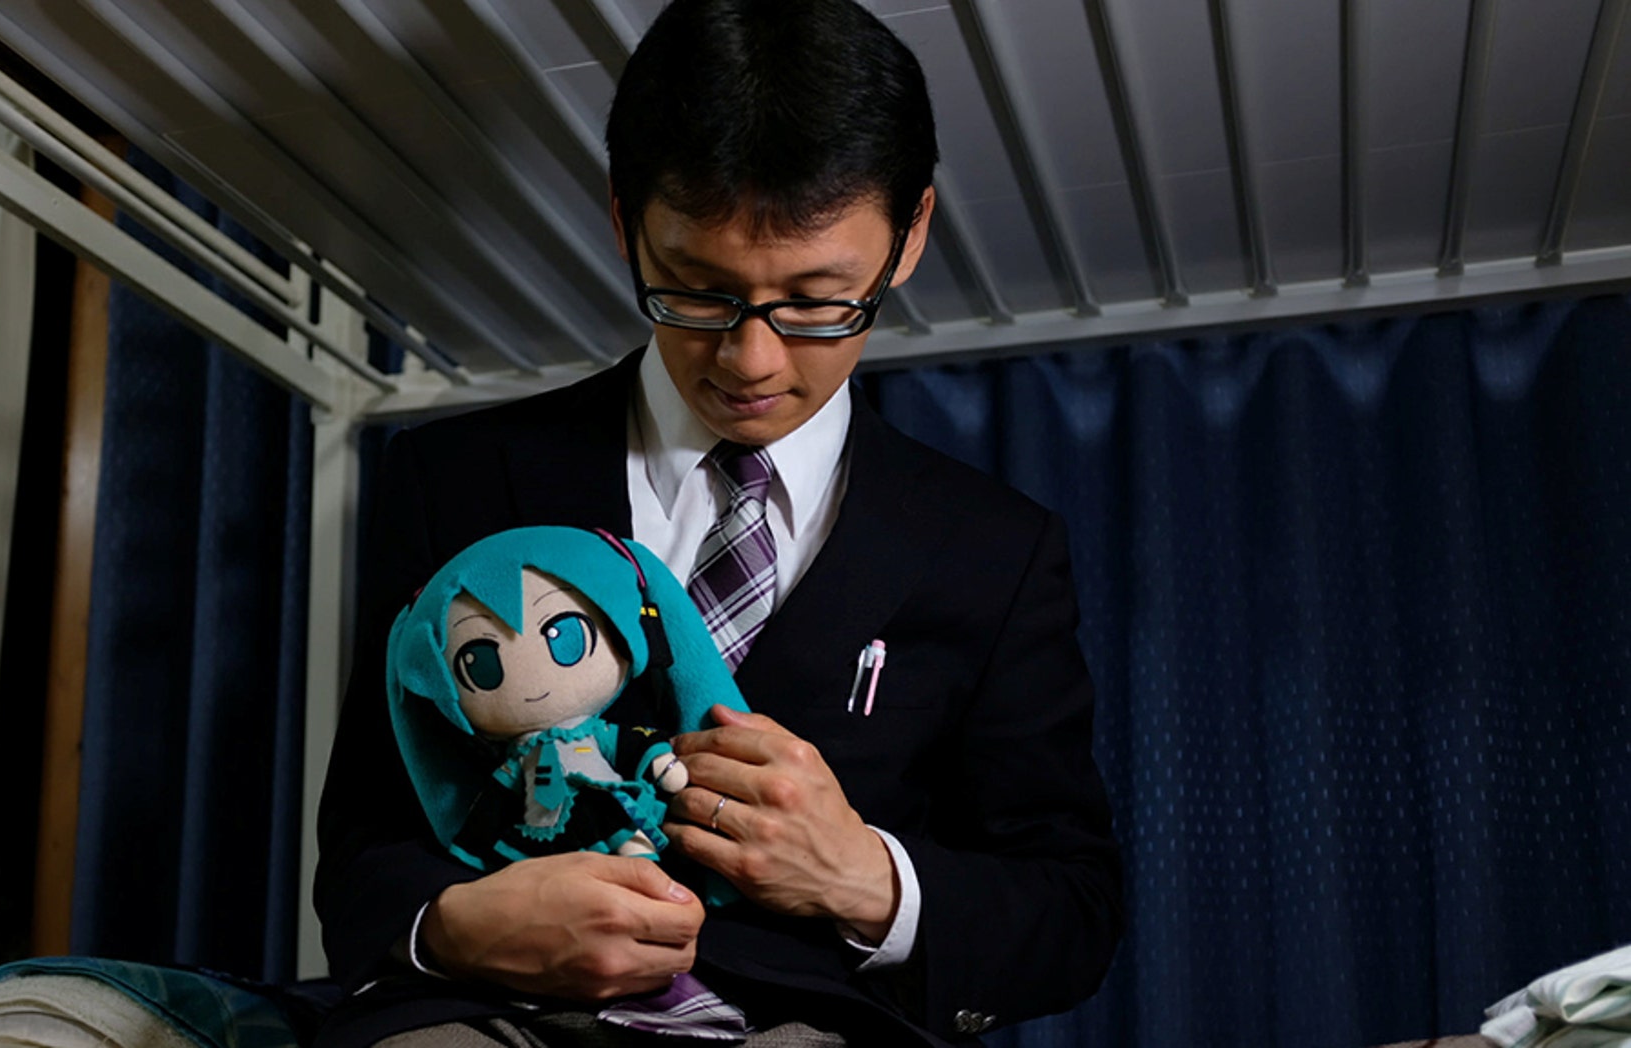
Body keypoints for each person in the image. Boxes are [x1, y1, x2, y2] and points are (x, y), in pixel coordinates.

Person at [313, 1, 1123, 1045]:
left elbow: (1072, 913)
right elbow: (365, 845)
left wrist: (867, 878)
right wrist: (451, 925)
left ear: (909, 235)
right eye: (694, 293)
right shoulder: (449, 477)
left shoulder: (994, 552)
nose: (751, 362)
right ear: (623, 224)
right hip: (481, 1013)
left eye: (819, 303)